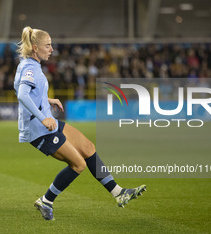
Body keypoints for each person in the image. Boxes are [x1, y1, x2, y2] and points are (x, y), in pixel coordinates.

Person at [14, 26, 146, 220]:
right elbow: (22, 94)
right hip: (39, 129)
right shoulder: (30, 67)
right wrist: (44, 117)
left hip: (46, 124)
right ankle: (46, 200)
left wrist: (46, 100)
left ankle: (118, 192)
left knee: (88, 146)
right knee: (78, 165)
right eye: (48, 45)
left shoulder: (27, 63)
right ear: (35, 47)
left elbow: (22, 89)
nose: (51, 49)